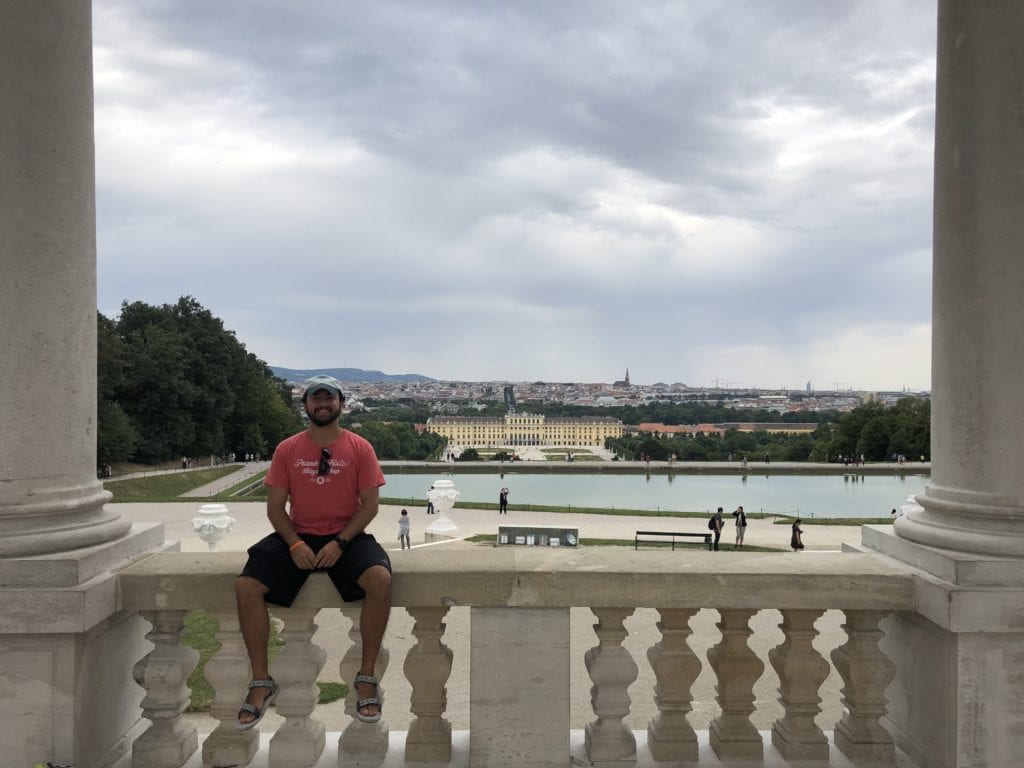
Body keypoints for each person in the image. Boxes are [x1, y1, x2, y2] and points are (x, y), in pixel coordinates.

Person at [234, 375, 391, 730]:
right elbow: (275, 508)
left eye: (329, 398)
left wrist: (341, 542)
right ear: (305, 405)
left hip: (345, 534)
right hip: (299, 532)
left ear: (341, 404)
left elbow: (369, 506)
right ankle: (261, 680)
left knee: (380, 579)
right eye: (315, 398)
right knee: (246, 587)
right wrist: (295, 543)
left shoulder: (360, 447)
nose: (322, 404)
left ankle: (366, 676)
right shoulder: (287, 448)